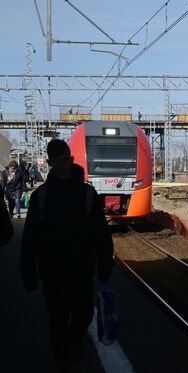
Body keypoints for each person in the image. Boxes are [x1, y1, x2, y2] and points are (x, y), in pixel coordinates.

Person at [20, 139, 114, 371]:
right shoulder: (40, 196)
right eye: (57, 161)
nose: (62, 165)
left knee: (83, 314)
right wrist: (28, 271)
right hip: (51, 270)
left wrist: (104, 265)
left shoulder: (87, 194)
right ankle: (63, 359)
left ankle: (74, 341)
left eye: (66, 159)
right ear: (50, 163)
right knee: (57, 318)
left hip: (82, 268)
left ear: (71, 159)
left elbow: (101, 234)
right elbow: (30, 237)